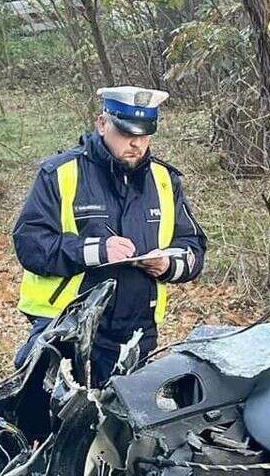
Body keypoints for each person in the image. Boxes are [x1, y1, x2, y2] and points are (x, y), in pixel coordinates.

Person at [12, 85, 208, 383]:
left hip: (137, 330)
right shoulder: (61, 173)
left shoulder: (165, 180)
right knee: (48, 422)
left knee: (120, 426)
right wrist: (96, 251)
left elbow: (193, 248)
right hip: (66, 324)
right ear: (102, 124)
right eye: (127, 133)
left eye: (144, 134)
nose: (136, 143)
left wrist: (168, 265)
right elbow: (29, 244)